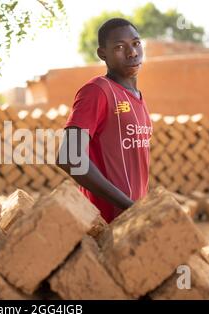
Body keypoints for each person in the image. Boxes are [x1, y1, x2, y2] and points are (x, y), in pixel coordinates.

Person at [56, 18, 153, 223]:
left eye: (136, 43)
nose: (132, 53)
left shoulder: (138, 98)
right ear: (103, 54)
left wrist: (139, 209)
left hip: (133, 221)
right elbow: (70, 156)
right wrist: (129, 207)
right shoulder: (97, 91)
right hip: (104, 223)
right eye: (119, 47)